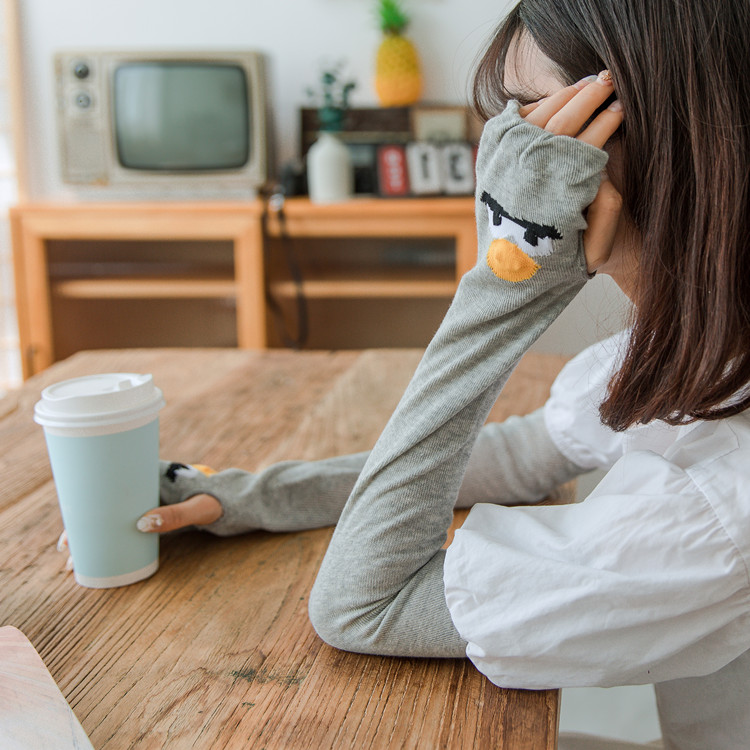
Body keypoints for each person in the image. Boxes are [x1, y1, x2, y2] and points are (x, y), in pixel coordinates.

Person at [126, 1, 750, 747]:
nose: (500, 153)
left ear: (637, 132)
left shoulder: (718, 507)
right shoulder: (714, 343)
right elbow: (523, 454)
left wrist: (504, 286)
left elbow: (365, 605)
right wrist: (256, 497)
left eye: (527, 115)